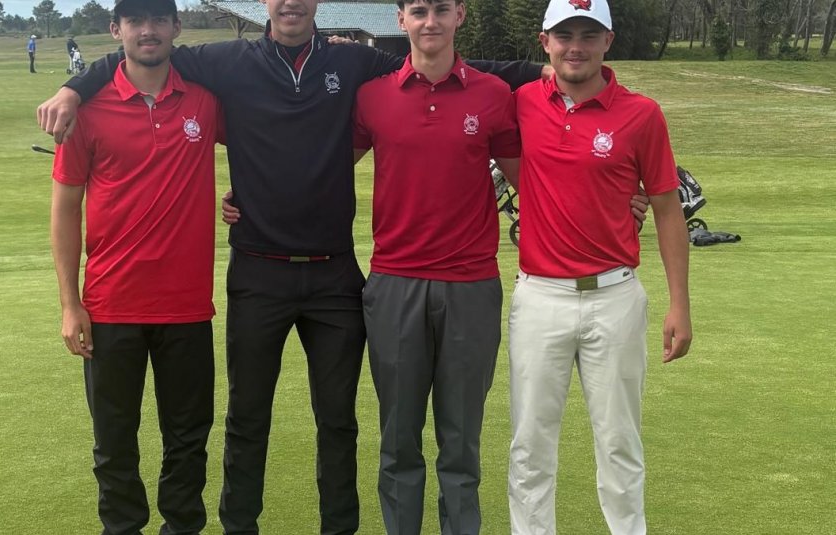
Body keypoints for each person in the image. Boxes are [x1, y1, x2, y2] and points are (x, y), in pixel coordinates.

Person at [37, 3, 546, 532]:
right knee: (247, 419)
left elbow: (435, 56)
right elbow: (145, 51)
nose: (291, 4)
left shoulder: (350, 63)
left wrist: (541, 67)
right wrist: (74, 88)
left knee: (337, 422)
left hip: (334, 275)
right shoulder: (228, 61)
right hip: (258, 272)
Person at [506, 0, 692, 534]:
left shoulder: (641, 113)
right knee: (530, 443)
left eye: (589, 34)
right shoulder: (521, 103)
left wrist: (679, 303)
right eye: (565, 35)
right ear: (545, 41)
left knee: (618, 442)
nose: (576, 46)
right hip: (540, 296)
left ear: (609, 41)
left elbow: (665, 207)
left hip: (615, 296)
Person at [49, 0, 221, 533]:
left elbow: (267, 146)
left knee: (188, 440)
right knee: (114, 441)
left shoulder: (207, 101)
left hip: (187, 307)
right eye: (134, 21)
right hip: (110, 306)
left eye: (158, 19)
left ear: (176, 27)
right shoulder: (88, 108)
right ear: (115, 29)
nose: (147, 30)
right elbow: (64, 208)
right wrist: (69, 304)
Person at [351, 0, 519, 533]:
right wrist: (251, 199)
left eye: (441, 9)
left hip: (471, 286)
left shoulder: (492, 96)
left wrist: (618, 204)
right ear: (400, 19)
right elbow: (319, 169)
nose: (430, 21)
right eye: (418, 10)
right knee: (398, 440)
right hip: (395, 284)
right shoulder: (372, 97)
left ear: (459, 16)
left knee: (461, 441)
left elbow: (535, 184)